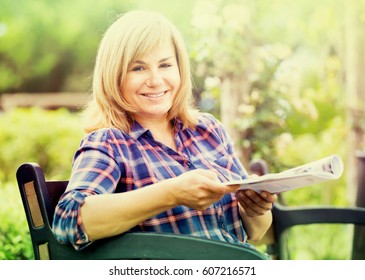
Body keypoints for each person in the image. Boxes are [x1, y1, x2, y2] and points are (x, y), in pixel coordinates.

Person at [52, 10, 277, 251]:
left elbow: (258, 231)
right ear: (113, 76)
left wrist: (254, 208)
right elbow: (69, 221)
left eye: (166, 65)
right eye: (138, 68)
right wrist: (171, 193)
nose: (156, 80)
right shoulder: (109, 143)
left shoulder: (208, 130)